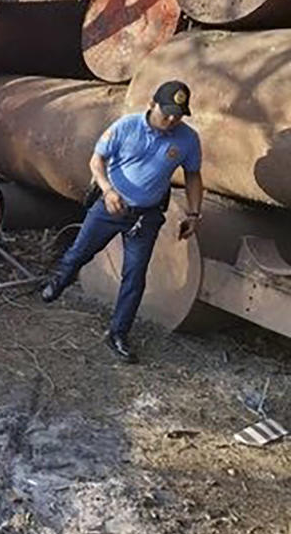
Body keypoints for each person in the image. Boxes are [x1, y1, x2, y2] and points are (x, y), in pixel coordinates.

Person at [40, 80, 204, 363]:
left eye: (179, 113)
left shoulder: (187, 139)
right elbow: (96, 160)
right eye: (167, 112)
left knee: (135, 277)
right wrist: (107, 190)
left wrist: (194, 212)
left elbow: (193, 175)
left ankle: (118, 333)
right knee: (81, 252)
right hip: (110, 206)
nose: (173, 119)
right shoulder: (125, 127)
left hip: (147, 216)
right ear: (152, 104)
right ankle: (59, 280)